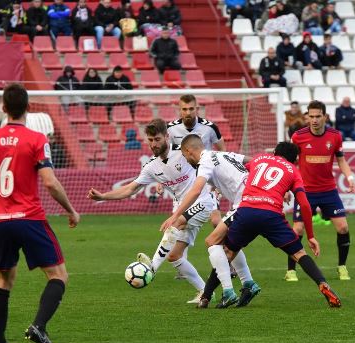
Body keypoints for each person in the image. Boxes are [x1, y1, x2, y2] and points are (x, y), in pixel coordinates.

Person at [0, 83, 80, 343]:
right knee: (58, 275)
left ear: (3, 108)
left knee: (4, 279)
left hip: (0, 221)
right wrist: (70, 209)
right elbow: (50, 183)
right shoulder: (37, 139)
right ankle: (38, 326)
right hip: (30, 218)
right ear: (29, 108)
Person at [87, 119, 215, 303]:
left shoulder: (184, 151)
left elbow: (209, 160)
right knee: (174, 256)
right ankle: (205, 292)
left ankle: (152, 268)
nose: (154, 144)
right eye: (150, 140)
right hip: (181, 207)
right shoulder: (151, 167)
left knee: (175, 223)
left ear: (167, 137)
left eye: (157, 139)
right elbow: (130, 189)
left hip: (202, 201)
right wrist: (103, 196)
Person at [204, 140, 343, 308]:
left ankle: (206, 296)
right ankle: (322, 283)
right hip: (271, 215)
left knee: (228, 253)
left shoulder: (259, 159)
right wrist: (311, 236)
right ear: (295, 159)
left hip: (247, 211)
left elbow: (238, 175)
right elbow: (305, 205)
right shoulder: (293, 170)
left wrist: (218, 187)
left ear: (275, 152)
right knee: (299, 254)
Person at [159, 134, 259, 308]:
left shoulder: (205, 161)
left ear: (189, 151)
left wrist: (175, 216)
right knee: (229, 244)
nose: (186, 159)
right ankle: (249, 284)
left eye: (184, 155)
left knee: (212, 241)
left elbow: (196, 190)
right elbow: (254, 162)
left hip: (247, 204)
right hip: (255, 199)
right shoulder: (222, 155)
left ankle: (228, 292)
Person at [286, 100, 355, 282]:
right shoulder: (298, 136)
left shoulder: (335, 136)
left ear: (325, 117)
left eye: (318, 116)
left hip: (328, 190)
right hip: (305, 191)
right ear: (307, 117)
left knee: (343, 227)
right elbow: (289, 164)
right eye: (311, 116)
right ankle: (291, 270)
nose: (314, 120)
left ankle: (342, 267)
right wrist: (286, 187)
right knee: (298, 229)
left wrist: (349, 177)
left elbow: (341, 160)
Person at [166, 94, 225, 227]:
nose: (188, 112)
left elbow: (222, 151)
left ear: (196, 108)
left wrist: (220, 176)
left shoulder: (210, 127)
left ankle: (230, 247)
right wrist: (161, 181)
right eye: (185, 109)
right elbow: (168, 155)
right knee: (179, 225)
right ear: (179, 109)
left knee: (216, 221)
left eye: (191, 109)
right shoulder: (170, 128)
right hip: (184, 180)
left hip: (206, 178)